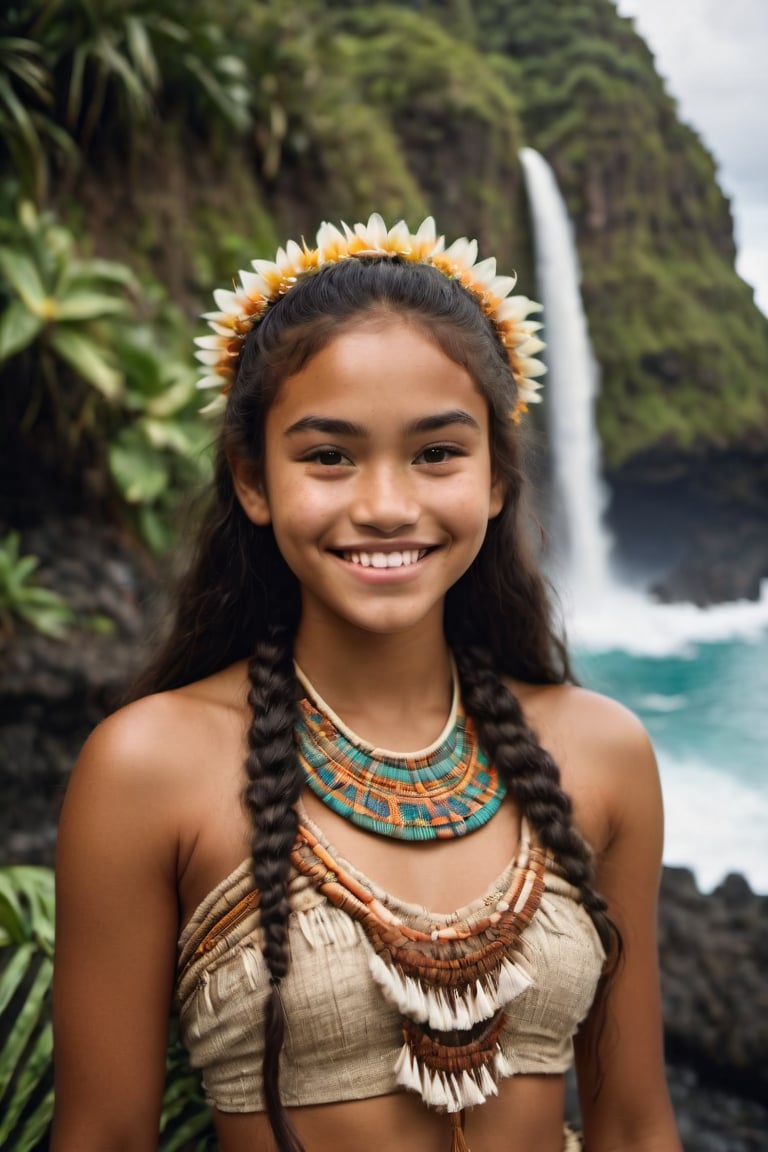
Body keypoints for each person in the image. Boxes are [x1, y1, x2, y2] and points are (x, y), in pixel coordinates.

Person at [52, 214, 682, 1152]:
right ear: (253, 480)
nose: (386, 506)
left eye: (436, 453)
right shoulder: (149, 769)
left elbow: (633, 1126)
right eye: (328, 456)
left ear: (498, 479)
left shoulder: (602, 754)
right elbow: (102, 1137)